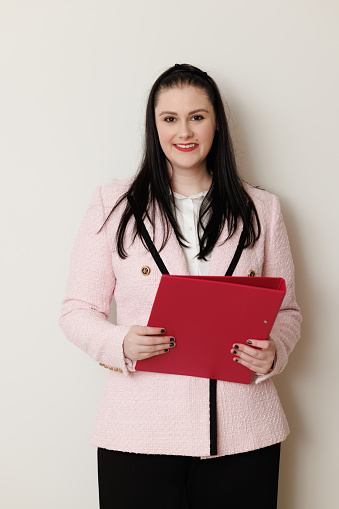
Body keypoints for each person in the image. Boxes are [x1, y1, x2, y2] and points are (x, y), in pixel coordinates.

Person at [59, 63, 301, 509]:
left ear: (216, 122)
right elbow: (76, 310)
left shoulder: (262, 208)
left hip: (245, 430)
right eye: (169, 118)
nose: (183, 131)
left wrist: (275, 351)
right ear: (155, 126)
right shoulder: (111, 205)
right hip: (139, 432)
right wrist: (120, 342)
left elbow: (287, 312)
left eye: (197, 116)